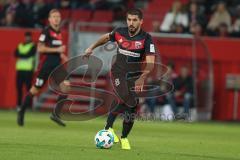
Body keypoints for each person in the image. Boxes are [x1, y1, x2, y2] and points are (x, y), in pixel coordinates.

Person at [84, 8, 156, 150]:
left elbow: (151, 63)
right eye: (129, 19)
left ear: (141, 21)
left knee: (133, 107)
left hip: (134, 76)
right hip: (118, 73)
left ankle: (124, 138)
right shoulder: (119, 32)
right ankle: (108, 128)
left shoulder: (146, 38)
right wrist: (91, 47)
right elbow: (105, 37)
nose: (131, 23)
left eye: (134, 20)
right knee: (125, 99)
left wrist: (143, 77)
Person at [17, 9, 70, 127]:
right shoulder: (46, 31)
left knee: (66, 87)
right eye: (54, 17)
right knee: (35, 90)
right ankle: (22, 110)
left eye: (58, 16)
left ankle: (55, 114)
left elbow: (55, 49)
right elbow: (40, 48)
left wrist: (62, 55)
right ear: (50, 19)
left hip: (56, 65)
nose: (56, 18)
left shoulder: (59, 32)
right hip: (46, 65)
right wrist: (57, 50)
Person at [15, 31, 36, 108]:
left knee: (28, 89)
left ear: (31, 37)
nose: (27, 38)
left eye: (29, 36)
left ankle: (28, 105)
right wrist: (23, 55)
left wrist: (21, 55)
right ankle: (18, 105)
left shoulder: (33, 46)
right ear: (25, 37)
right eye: (26, 36)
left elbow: (28, 55)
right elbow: (15, 54)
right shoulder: (20, 45)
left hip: (28, 70)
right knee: (19, 88)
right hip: (20, 70)